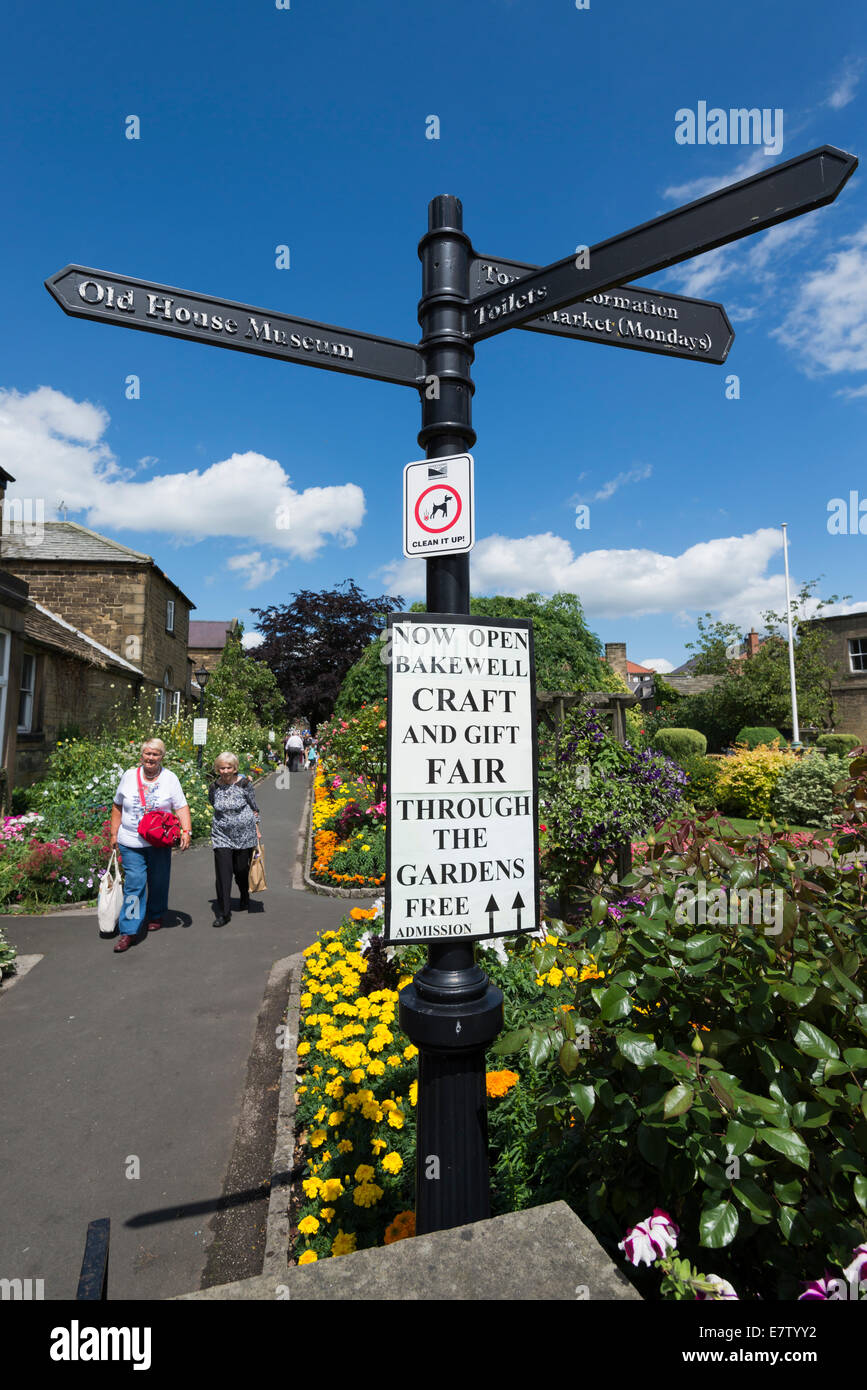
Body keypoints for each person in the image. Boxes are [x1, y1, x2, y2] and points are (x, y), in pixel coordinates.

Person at [110, 738, 191, 953]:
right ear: (141, 755)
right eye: (147, 754)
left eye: (155, 754)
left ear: (162, 756)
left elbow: (181, 806)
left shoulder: (170, 778)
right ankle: (129, 930)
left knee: (159, 880)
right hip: (130, 841)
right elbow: (117, 805)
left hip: (159, 842)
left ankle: (156, 913)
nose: (151, 758)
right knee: (135, 883)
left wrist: (186, 831)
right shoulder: (128, 776)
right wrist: (113, 833)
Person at [209, 752, 261, 927]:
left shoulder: (244, 784)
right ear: (217, 768)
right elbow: (213, 804)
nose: (225, 771)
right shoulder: (214, 787)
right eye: (222, 768)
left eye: (228, 768)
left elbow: (254, 807)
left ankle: (244, 894)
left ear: (235, 768)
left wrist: (257, 829)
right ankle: (224, 913)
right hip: (221, 834)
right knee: (223, 873)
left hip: (244, 834)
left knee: (240, 869)